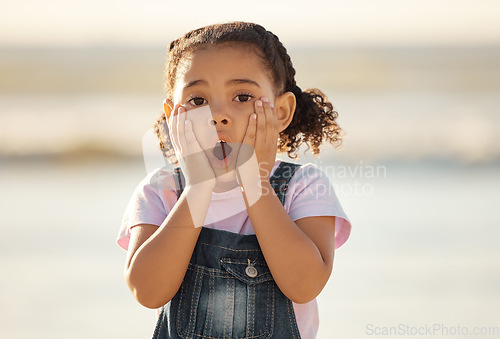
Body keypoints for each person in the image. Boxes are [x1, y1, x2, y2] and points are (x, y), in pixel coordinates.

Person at [117, 21, 351, 339]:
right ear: (173, 117)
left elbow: (304, 285)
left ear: (281, 111)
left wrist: (257, 185)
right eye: (198, 100)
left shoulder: (303, 185)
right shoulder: (162, 191)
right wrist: (199, 186)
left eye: (242, 96)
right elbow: (147, 291)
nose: (217, 114)